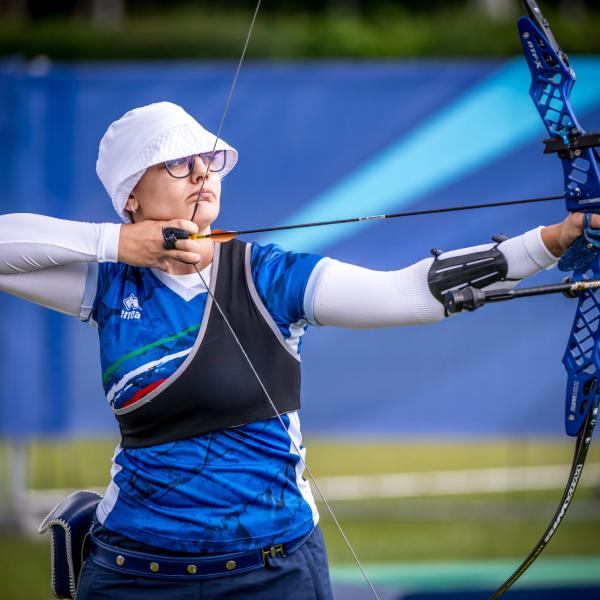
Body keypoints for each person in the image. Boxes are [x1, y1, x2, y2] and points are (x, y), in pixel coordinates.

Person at [0, 101, 592, 600]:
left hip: (273, 571)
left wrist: (549, 242)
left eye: (207, 161)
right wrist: (118, 244)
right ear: (131, 194)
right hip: (135, 571)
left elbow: (406, 291)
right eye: (178, 164)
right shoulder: (107, 284)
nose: (201, 173)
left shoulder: (268, 276)